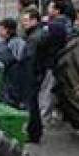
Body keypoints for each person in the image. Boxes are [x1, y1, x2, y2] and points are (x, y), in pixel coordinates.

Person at [20, 8, 46, 144]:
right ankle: (35, 131)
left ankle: (34, 132)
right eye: (23, 20)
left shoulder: (34, 39)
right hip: (37, 73)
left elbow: (30, 59)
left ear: (34, 21)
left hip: (33, 74)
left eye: (26, 20)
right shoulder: (36, 34)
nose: (23, 23)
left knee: (32, 104)